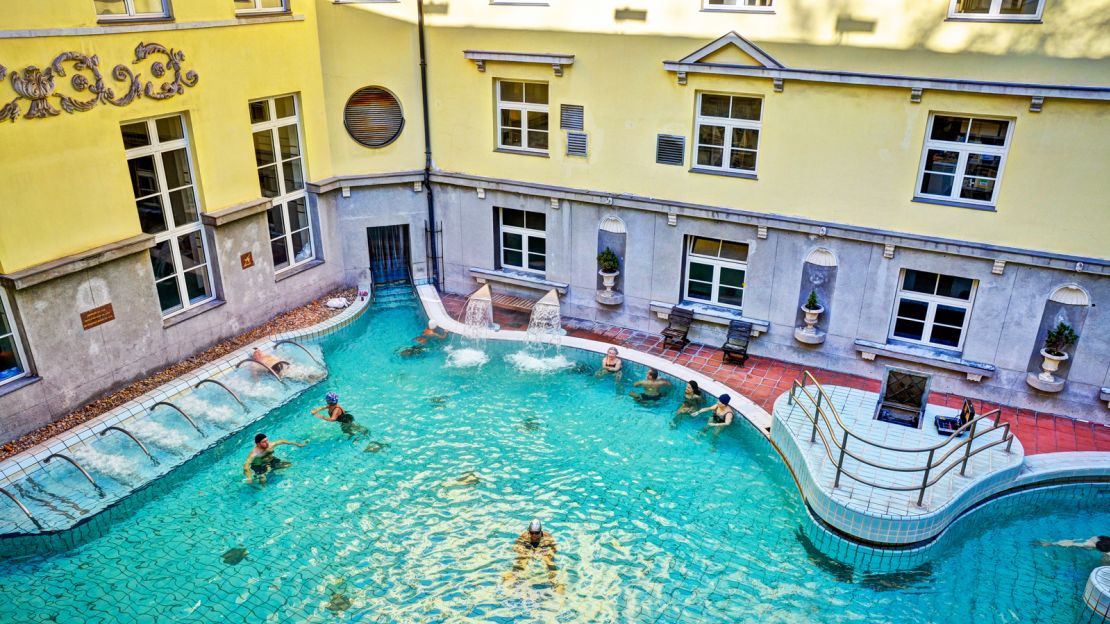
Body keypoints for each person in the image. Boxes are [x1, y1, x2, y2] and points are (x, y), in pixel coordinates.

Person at [505, 518, 563, 592]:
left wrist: (548, 553)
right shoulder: (525, 536)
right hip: (528, 548)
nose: (534, 535)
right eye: (532, 533)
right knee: (522, 560)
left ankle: (554, 582)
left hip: (542, 549)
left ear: (540, 531)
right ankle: (513, 577)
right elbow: (515, 546)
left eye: (536, 533)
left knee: (549, 561)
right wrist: (521, 550)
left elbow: (554, 548)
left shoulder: (547, 536)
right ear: (529, 531)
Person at [1036, 536, 1110, 563]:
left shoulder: (1098, 538)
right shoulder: (1091, 544)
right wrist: (1050, 544)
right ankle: (1048, 543)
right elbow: (1072, 543)